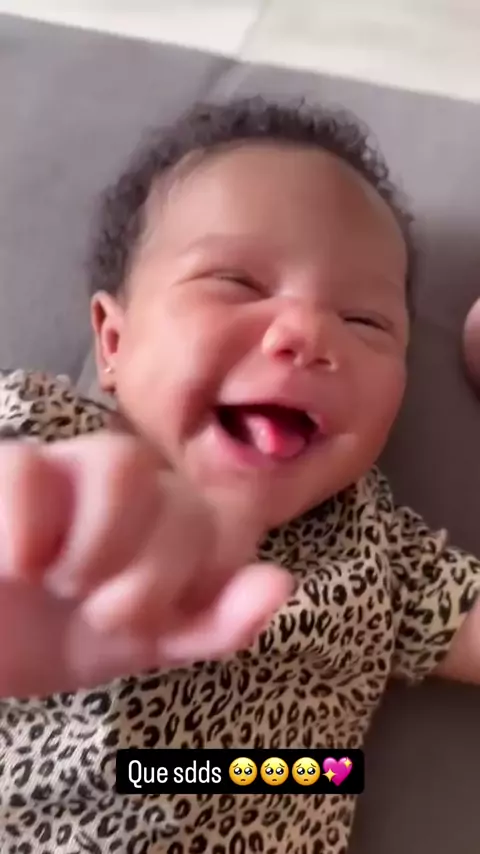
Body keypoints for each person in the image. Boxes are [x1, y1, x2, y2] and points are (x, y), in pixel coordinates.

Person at [1, 98, 479, 854]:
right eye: (238, 284)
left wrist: (299, 774)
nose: (306, 333)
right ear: (114, 341)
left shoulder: (382, 553)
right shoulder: (41, 433)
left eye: (365, 321)